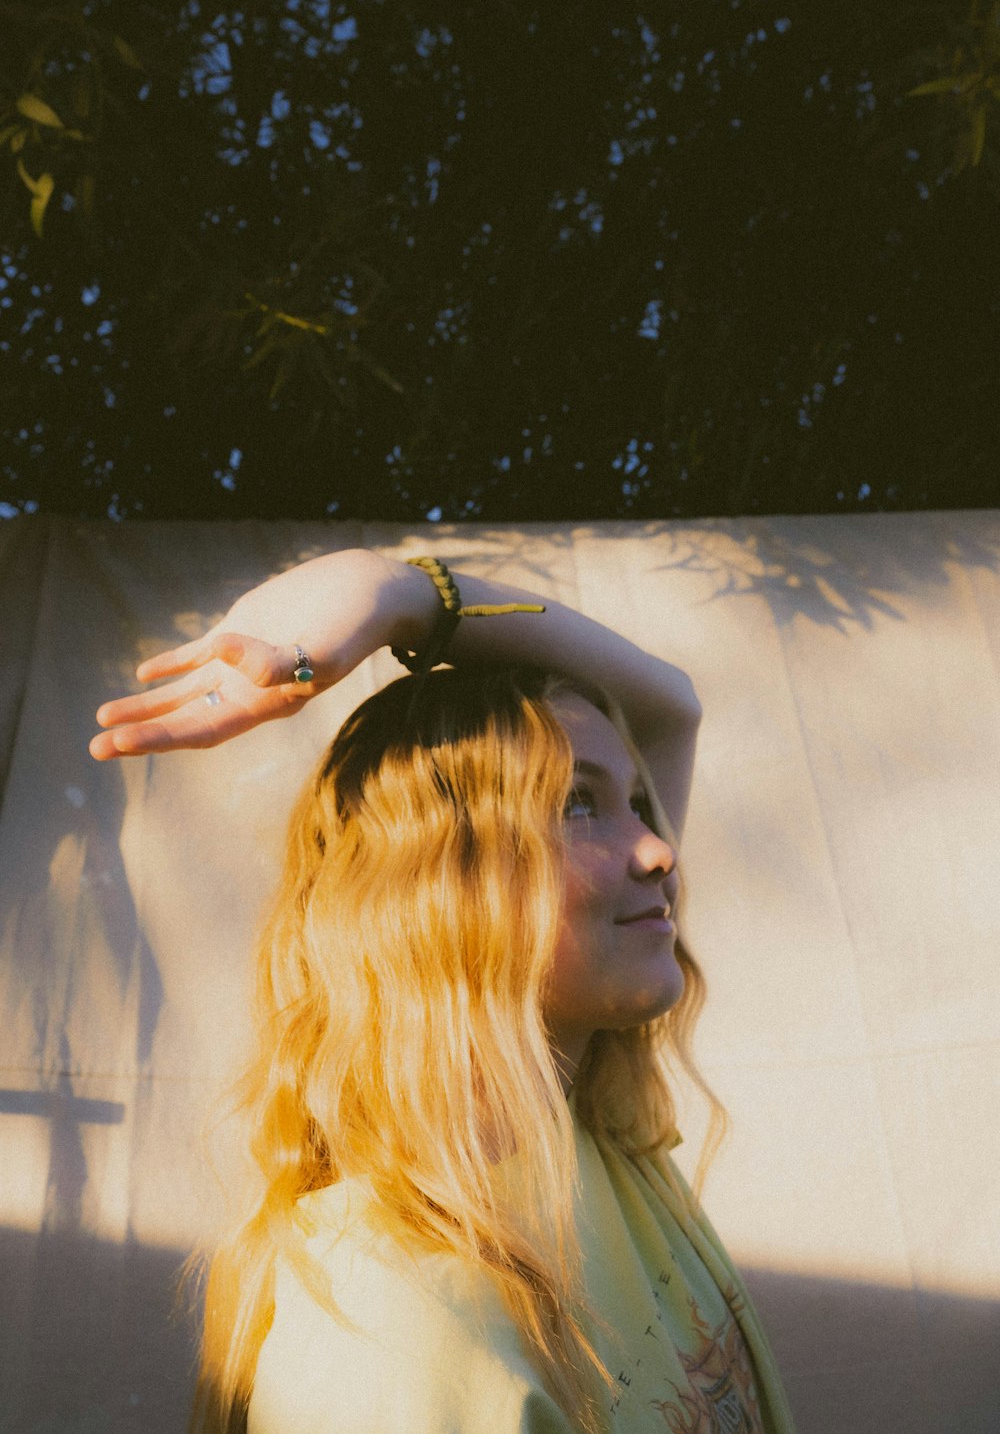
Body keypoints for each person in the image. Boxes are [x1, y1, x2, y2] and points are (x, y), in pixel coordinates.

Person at [90, 548, 796, 1434]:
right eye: (578, 803)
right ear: (437, 890)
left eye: (640, 805)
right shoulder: (386, 1322)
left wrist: (407, 594)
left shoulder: (588, 1138)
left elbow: (667, 704)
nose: (658, 850)